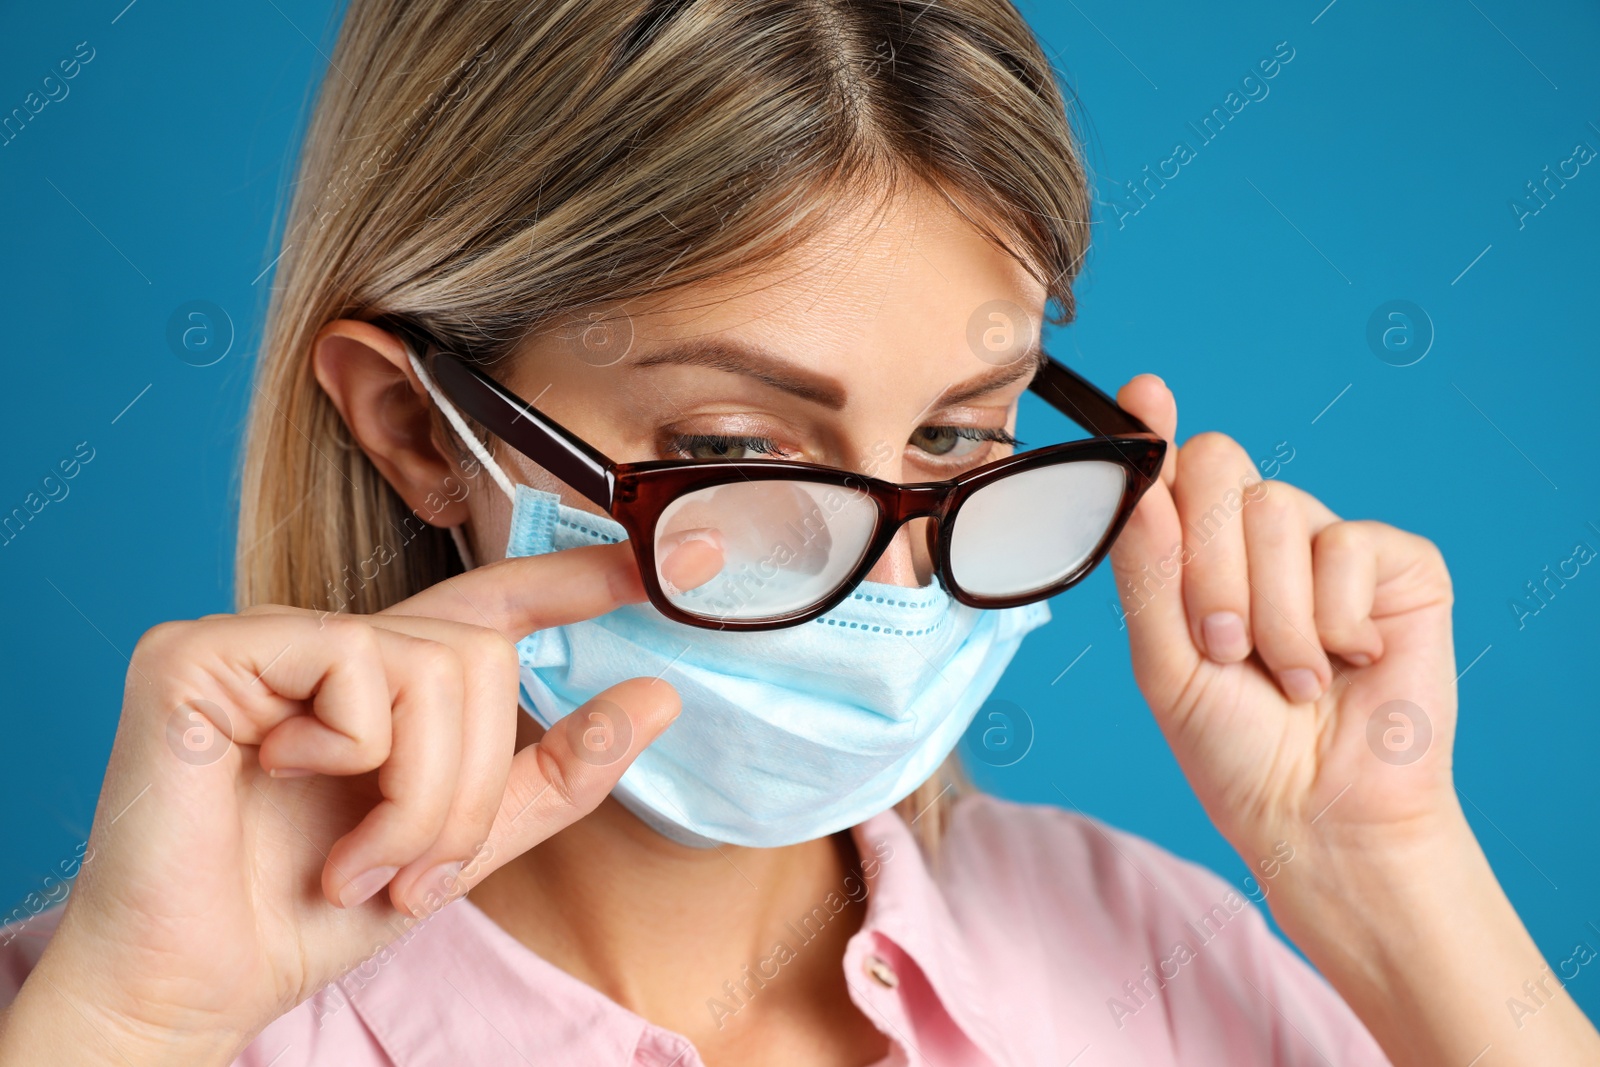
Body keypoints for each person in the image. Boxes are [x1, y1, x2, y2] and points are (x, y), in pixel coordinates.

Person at [1, 1, 1596, 1064]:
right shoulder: (119, 1011)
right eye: (741, 448)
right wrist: (133, 1029)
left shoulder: (1143, 955)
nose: (898, 576)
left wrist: (1389, 883)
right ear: (424, 427)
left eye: (962, 438)